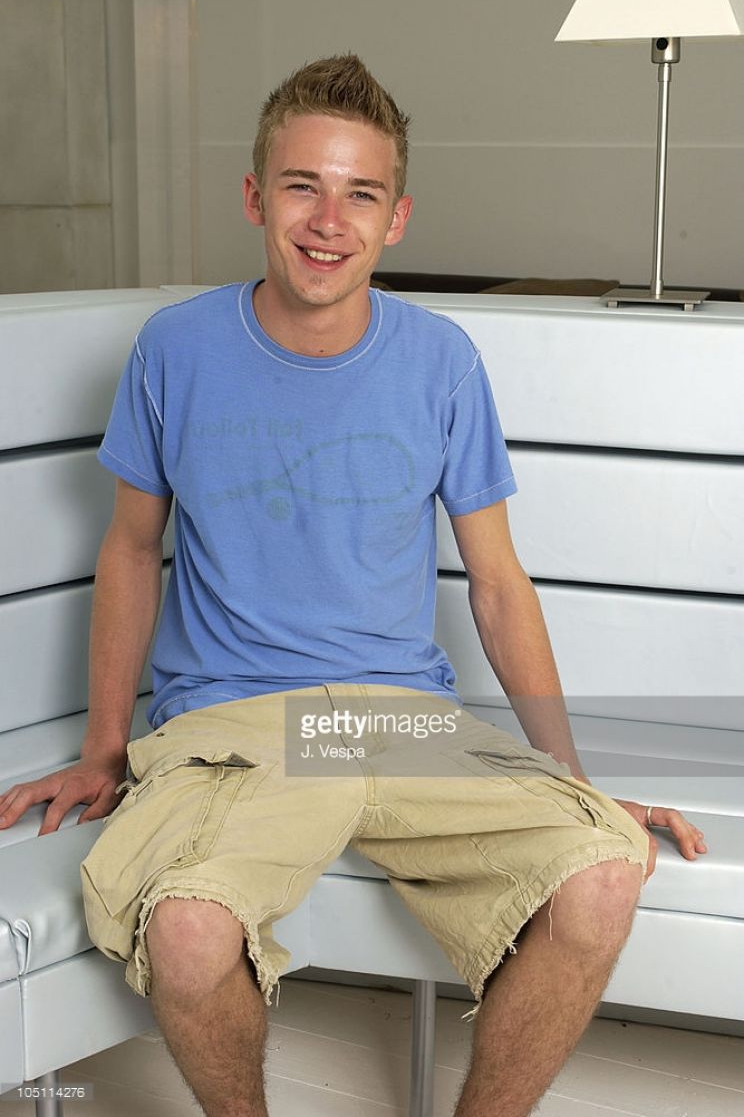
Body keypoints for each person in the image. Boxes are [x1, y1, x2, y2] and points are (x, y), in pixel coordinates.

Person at [0, 54, 707, 1117]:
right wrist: (108, 745)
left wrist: (565, 773)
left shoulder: (442, 361)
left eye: (361, 193)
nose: (329, 221)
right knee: (188, 931)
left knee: (604, 871)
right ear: (255, 197)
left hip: (400, 720)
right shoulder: (174, 350)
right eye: (303, 186)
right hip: (234, 722)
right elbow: (131, 550)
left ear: (397, 218)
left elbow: (498, 582)